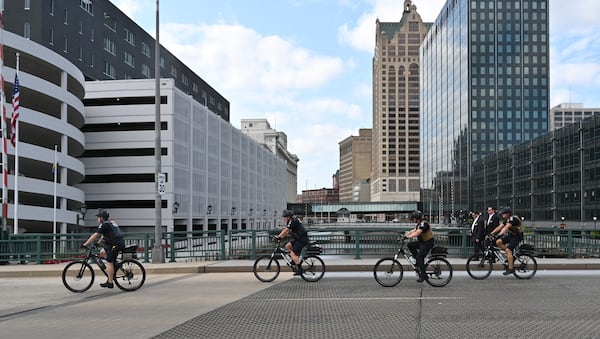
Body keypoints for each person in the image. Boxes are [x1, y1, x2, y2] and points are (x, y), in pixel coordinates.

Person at [82, 209, 125, 288]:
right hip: (113, 244)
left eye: (98, 217)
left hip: (116, 244)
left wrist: (85, 244)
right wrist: (98, 243)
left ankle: (110, 282)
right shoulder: (109, 223)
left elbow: (95, 235)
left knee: (109, 261)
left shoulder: (105, 224)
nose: (97, 218)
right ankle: (112, 269)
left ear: (102, 217)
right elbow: (103, 235)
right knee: (102, 252)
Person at [273, 210, 309, 276]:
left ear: (288, 217)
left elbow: (286, 230)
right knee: (287, 246)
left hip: (302, 239)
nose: (284, 218)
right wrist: (280, 237)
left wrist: (278, 237)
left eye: (285, 217)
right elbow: (287, 232)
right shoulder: (291, 221)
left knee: (292, 253)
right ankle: (294, 260)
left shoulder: (293, 221)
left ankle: (299, 270)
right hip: (298, 238)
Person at [489, 206, 523, 276]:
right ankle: (509, 256)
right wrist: (491, 234)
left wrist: (499, 235)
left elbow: (506, 227)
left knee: (508, 250)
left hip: (517, 236)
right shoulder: (507, 220)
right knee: (498, 242)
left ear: (508, 214)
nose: (502, 215)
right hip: (511, 235)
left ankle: (511, 269)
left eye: (503, 213)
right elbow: (499, 227)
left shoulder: (513, 219)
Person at [404, 210, 434, 283]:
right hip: (422, 242)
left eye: (414, 218)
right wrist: (405, 236)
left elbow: (418, 232)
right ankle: (418, 262)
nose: (413, 220)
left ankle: (423, 275)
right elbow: (413, 230)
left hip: (428, 243)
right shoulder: (419, 224)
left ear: (417, 218)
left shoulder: (424, 224)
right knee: (410, 245)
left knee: (420, 257)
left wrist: (408, 237)